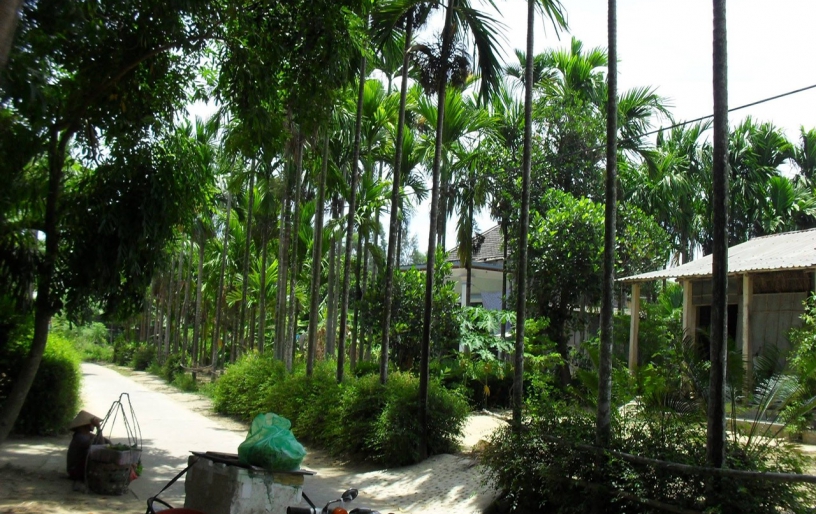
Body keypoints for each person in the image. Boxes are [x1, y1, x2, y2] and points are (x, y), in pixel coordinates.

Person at [66, 410, 108, 481]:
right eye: (92, 423)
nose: (93, 425)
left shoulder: (85, 434)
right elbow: (101, 445)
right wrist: (98, 427)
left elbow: (103, 440)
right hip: (76, 472)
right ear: (87, 425)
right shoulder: (80, 438)